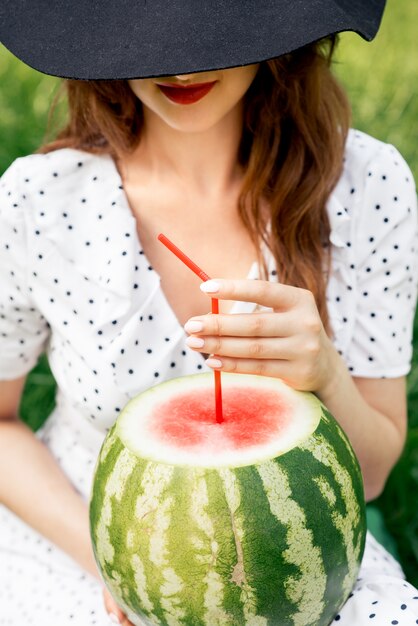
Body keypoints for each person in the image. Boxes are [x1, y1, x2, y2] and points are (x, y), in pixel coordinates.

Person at [0, 1, 418, 625]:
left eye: (208, 25)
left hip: (303, 556)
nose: (180, 61)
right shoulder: (38, 200)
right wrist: (116, 560)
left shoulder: (368, 185)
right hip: (79, 530)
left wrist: (327, 374)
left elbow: (376, 474)